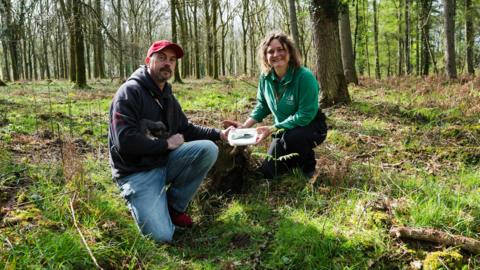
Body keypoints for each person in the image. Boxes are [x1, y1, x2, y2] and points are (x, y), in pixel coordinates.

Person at [108, 40, 231, 242]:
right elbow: (124, 141)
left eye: (172, 60)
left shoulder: (167, 96)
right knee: (162, 236)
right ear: (149, 61)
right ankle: (143, 199)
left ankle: (173, 207)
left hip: (162, 162)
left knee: (208, 149)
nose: (168, 63)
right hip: (136, 173)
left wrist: (220, 134)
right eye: (162, 58)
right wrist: (166, 144)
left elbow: (186, 129)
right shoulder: (129, 93)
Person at [224, 32, 327, 179]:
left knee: (293, 138)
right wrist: (244, 126)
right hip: (283, 130)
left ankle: (309, 171)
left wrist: (272, 128)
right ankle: (292, 162)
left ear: (289, 52)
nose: (276, 54)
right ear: (265, 56)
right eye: (270, 51)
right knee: (267, 172)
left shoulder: (304, 77)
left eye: (281, 49)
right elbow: (262, 106)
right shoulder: (265, 78)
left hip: (312, 127)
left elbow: (305, 116)